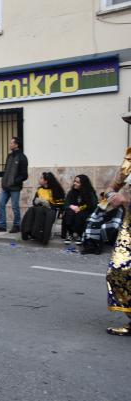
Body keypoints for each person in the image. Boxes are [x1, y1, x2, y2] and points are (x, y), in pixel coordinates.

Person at [104, 115, 131, 335]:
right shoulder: (129, 160)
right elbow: (110, 188)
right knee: (118, 271)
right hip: (129, 226)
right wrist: (113, 195)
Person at [0, 137, 28, 233]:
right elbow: (7, 171)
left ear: (16, 145)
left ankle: (17, 225)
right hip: (6, 186)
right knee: (1, 204)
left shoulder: (22, 157)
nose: (10, 144)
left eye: (11, 143)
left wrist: (14, 181)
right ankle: (2, 225)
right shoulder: (9, 156)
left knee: (15, 206)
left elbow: (25, 175)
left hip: (15, 187)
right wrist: (4, 181)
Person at [20, 172, 65, 243]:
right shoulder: (40, 190)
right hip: (40, 208)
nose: (39, 179)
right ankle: (27, 231)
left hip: (52, 210)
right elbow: (34, 202)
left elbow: (60, 204)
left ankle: (39, 234)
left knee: (39, 210)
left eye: (41, 178)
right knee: (31, 209)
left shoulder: (56, 190)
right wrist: (36, 201)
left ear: (46, 181)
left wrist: (48, 203)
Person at [61, 175, 97, 245]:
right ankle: (70, 234)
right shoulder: (71, 192)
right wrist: (71, 206)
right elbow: (66, 203)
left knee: (80, 215)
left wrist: (80, 208)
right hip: (73, 210)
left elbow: (92, 205)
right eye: (75, 181)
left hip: (86, 211)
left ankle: (79, 235)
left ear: (83, 184)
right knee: (69, 212)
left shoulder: (89, 193)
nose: (75, 183)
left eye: (78, 182)